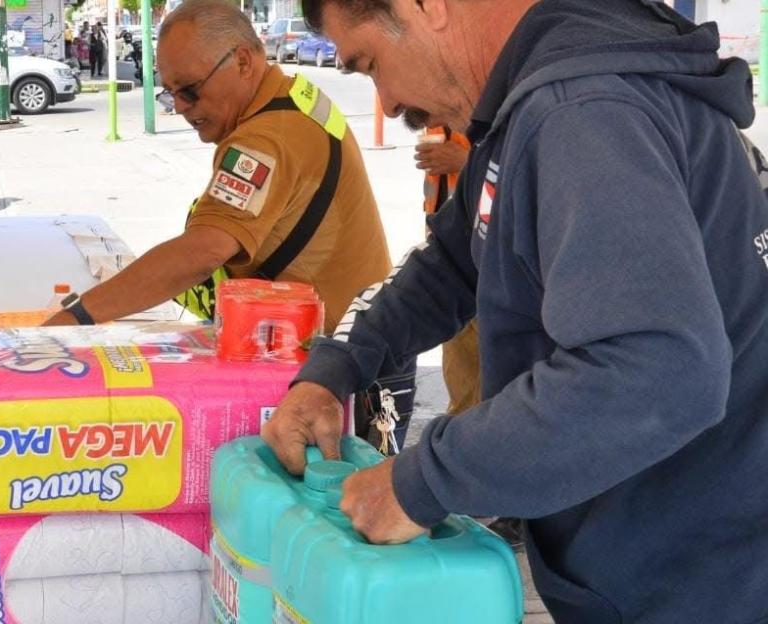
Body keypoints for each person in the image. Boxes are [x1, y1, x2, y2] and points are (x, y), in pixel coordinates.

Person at [263, 0, 768, 621]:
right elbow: (453, 260)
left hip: (701, 576)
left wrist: (423, 481)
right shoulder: (537, 96)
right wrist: (335, 367)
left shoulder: (581, 112)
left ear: (428, 8)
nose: (387, 101)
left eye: (369, 64)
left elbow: (657, 370)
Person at [43, 0, 416, 451]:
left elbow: (202, 251)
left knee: (334, 512)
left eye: (191, 91)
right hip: (360, 347)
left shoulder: (264, 139)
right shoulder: (292, 94)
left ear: (242, 61)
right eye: (170, 93)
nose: (180, 107)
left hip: (347, 370)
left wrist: (78, 317)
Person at [416, 126, 481, 417]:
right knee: (460, 364)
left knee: (496, 373)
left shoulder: (501, 93)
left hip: (486, 249)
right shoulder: (435, 105)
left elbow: (525, 165)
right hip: (448, 242)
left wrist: (467, 162)